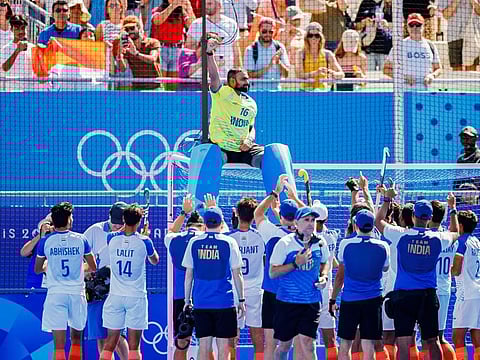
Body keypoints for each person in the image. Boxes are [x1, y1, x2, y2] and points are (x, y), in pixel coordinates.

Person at [375, 189, 460, 360]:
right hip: (427, 296)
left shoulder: (401, 235)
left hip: (404, 296)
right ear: (429, 218)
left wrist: (387, 199)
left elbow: (378, 221)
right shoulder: (439, 238)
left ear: (413, 216)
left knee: (404, 343)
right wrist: (452, 208)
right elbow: (456, 232)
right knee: (433, 340)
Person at [34, 202, 97, 360]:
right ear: (69, 219)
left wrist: (49, 266)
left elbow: (37, 269)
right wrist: (79, 267)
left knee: (59, 345)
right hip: (77, 294)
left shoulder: (45, 242)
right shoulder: (81, 239)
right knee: (76, 341)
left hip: (55, 295)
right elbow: (92, 266)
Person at [182, 206, 246, 360]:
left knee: (203, 346)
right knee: (224, 348)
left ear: (204, 222)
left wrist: (187, 300)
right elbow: (237, 274)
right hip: (224, 302)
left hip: (202, 302)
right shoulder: (229, 242)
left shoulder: (194, 242)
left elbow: (189, 275)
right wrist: (242, 300)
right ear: (221, 222)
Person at [269, 206, 330, 360]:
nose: (311, 223)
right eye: (306, 220)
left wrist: (324, 276)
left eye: (313, 220)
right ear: (296, 223)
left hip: (311, 301)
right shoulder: (285, 243)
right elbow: (273, 273)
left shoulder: (320, 243)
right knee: (284, 346)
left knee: (308, 344)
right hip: (287, 302)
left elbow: (325, 262)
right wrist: (295, 264)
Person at [100, 204, 159, 360]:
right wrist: (144, 235)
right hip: (136, 298)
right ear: (139, 221)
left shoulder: (110, 238)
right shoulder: (145, 241)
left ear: (124, 219)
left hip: (115, 297)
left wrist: (131, 228)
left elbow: (120, 234)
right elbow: (154, 260)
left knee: (109, 344)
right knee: (134, 348)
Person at [330, 209, 390, 360]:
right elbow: (385, 268)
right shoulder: (383, 247)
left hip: (350, 300)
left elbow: (339, 277)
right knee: (368, 344)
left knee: (345, 345)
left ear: (356, 225)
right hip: (373, 300)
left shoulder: (345, 244)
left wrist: (332, 299)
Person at [253, 174, 301, 360]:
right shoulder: (304, 235)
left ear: (281, 216)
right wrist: (295, 198)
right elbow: (309, 215)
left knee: (271, 342)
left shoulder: (271, 232)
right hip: (295, 293)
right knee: (297, 342)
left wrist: (275, 192)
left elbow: (258, 213)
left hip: (273, 293)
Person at [205, 34, 264, 169]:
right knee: (211, 158)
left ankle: (277, 190)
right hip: (221, 149)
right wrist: (209, 53)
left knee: (268, 157)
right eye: (243, 79)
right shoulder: (221, 93)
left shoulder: (251, 104)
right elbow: (214, 76)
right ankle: (206, 191)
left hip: (244, 150)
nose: (247, 82)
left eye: (247, 79)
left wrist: (250, 140)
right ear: (232, 81)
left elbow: (251, 127)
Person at [83, 202, 129, 360]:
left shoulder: (129, 235)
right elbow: (81, 260)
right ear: (109, 217)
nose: (117, 226)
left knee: (117, 335)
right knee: (101, 336)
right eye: (115, 223)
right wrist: (89, 272)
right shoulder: (94, 231)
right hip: (96, 291)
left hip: (118, 290)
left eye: (121, 224)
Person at [164, 195, 205, 360]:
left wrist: (183, 212)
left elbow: (172, 231)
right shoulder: (207, 240)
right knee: (206, 343)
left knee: (181, 343)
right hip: (204, 297)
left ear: (187, 226)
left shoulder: (173, 239)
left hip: (180, 299)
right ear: (203, 226)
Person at [227, 197, 265, 359]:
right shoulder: (261, 237)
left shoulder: (228, 238)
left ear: (237, 214)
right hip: (255, 290)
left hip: (234, 289)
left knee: (232, 332)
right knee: (257, 332)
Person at [429, 199, 457, 360]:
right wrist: (453, 208)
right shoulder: (449, 237)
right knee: (439, 337)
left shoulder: (429, 238)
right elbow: (454, 230)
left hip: (428, 291)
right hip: (444, 290)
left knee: (427, 338)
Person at [185, 0, 242, 80]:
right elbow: (188, 50)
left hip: (225, 76)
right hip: (201, 76)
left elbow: (236, 52)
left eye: (209, 4)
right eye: (205, 4)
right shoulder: (197, 24)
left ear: (219, 5)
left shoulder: (232, 24)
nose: (206, 6)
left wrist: (238, 72)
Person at [383, 13, 442, 89]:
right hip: (404, 92)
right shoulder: (399, 46)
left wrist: (432, 75)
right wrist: (403, 77)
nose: (415, 28)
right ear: (407, 27)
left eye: (418, 25)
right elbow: (386, 69)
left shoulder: (430, 45)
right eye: (411, 25)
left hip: (425, 92)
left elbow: (438, 69)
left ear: (423, 26)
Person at [312, 200, 339, 360]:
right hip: (326, 293)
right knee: (331, 339)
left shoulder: (306, 238)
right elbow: (333, 262)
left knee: (307, 339)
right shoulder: (332, 237)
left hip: (310, 293)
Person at [451, 210, 479, 360]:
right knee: (477, 338)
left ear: (460, 226)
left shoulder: (461, 242)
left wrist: (445, 271)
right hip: (477, 292)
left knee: (457, 337)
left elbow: (456, 270)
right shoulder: (477, 242)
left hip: (466, 295)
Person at [150, 0, 196, 89]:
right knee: (161, 82)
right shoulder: (158, 9)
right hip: (161, 49)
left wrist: (188, 8)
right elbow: (157, 21)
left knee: (173, 84)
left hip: (177, 50)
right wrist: (173, 5)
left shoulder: (182, 13)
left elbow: (192, 26)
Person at [113, 15, 162, 90]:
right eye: (126, 29)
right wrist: (119, 53)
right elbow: (122, 69)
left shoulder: (152, 42)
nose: (130, 31)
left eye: (132, 28)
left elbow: (152, 59)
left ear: (139, 28)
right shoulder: (127, 48)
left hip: (155, 87)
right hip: (137, 88)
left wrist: (136, 53)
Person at [244, 17, 290, 91]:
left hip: (276, 91)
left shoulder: (280, 47)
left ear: (274, 31)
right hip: (257, 92)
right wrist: (269, 66)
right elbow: (249, 75)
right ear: (259, 30)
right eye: (264, 31)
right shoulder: (250, 49)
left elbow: (286, 74)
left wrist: (278, 62)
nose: (267, 34)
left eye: (270, 32)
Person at [295, 22, 344, 91]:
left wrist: (333, 73)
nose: (313, 38)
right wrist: (315, 73)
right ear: (306, 38)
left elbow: (341, 74)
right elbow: (299, 75)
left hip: (323, 91)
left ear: (320, 38)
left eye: (317, 35)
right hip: (305, 91)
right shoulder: (300, 53)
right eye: (310, 35)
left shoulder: (328, 54)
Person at [1, 15, 37, 91]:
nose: (21, 31)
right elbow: (5, 68)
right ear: (11, 29)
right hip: (11, 91)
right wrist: (17, 51)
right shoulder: (6, 48)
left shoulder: (33, 47)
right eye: (17, 28)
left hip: (29, 91)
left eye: (23, 28)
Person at [437, 0, 476, 71]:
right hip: (454, 36)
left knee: (471, 66)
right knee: (457, 68)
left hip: (472, 36)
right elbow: (446, 15)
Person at [21, 213, 53, 288]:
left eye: (52, 224)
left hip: (54, 283)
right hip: (36, 281)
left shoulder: (62, 240)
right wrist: (41, 235)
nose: (49, 227)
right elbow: (23, 252)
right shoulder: (37, 240)